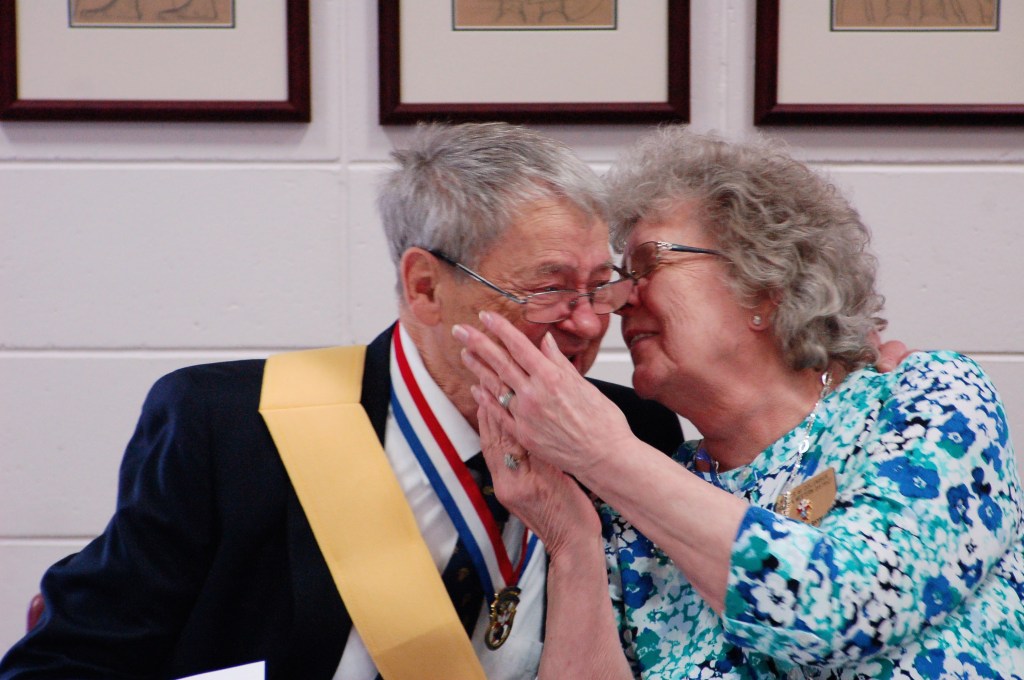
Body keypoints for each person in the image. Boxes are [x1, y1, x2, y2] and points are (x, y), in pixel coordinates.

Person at [0, 122, 684, 680]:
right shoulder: (234, 427)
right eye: (548, 289)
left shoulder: (632, 434)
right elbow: (62, 665)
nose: (587, 323)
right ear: (424, 287)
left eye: (601, 286)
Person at [454, 127, 1024, 678]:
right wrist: (571, 539)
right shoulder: (634, 511)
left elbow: (843, 609)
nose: (622, 300)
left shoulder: (923, 398)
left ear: (765, 285)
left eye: (648, 265)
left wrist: (606, 455)